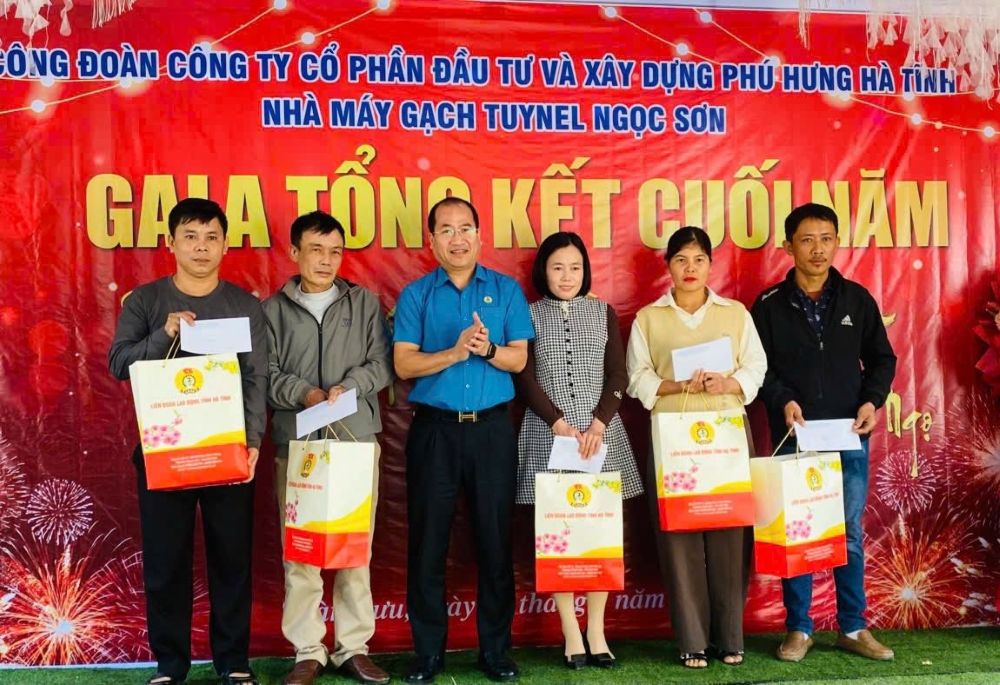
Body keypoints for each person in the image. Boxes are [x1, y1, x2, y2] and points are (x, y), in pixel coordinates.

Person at [108, 198, 267, 685]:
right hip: (164, 453)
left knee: (232, 560)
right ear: (171, 242)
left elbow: (256, 377)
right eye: (191, 236)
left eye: (212, 237)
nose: (202, 247)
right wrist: (165, 333)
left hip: (228, 448)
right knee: (165, 561)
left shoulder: (244, 305)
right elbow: (119, 364)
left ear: (224, 244)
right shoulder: (144, 301)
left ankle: (233, 662)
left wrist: (254, 439)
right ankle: (170, 665)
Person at [393, 197, 534, 684]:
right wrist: (453, 353)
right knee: (428, 544)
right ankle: (429, 652)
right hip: (435, 432)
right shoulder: (416, 295)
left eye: (466, 228)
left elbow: (518, 360)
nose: (458, 238)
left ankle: (495, 651)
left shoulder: (505, 290)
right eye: (446, 230)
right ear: (431, 241)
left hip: (493, 431)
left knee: (496, 542)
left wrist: (488, 349)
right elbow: (404, 365)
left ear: (479, 235)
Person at [750, 203, 897, 662]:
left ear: (837, 242)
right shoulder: (769, 305)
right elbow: (758, 369)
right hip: (794, 436)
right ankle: (799, 629)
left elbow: (882, 359)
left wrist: (872, 400)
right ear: (789, 245)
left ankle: (853, 627)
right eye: (808, 239)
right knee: (798, 533)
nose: (818, 249)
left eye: (827, 238)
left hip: (848, 435)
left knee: (848, 533)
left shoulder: (857, 299)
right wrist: (782, 400)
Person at [626, 226, 766, 669]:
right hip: (673, 440)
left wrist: (729, 382)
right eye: (681, 260)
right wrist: (673, 384)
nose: (690, 269)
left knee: (729, 532)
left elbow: (756, 367)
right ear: (667, 265)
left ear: (711, 264)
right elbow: (636, 377)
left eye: (699, 260)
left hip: (724, 435)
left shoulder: (735, 313)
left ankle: (730, 637)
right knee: (679, 535)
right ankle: (691, 640)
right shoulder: (649, 318)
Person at [263, 211, 393, 685]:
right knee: (300, 551)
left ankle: (353, 647)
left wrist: (350, 386)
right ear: (294, 253)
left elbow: (383, 364)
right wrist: (305, 394)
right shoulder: (270, 311)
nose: (326, 260)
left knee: (353, 550)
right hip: (298, 447)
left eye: (335, 251)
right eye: (315, 249)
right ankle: (307, 649)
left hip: (355, 442)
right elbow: (265, 376)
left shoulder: (365, 304)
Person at [513, 231, 642, 670]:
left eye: (575, 267)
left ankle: (597, 631)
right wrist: (559, 424)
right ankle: (570, 631)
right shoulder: (527, 315)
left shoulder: (603, 312)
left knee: (599, 535)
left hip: (600, 439)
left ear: (585, 271)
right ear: (542, 271)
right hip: (549, 435)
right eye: (557, 267)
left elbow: (619, 375)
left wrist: (599, 422)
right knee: (560, 538)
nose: (567, 276)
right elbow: (524, 379)